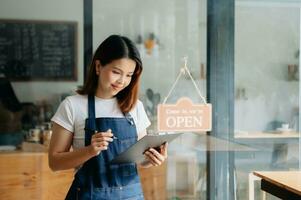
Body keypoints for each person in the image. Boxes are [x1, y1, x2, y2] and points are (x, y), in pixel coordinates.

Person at [48, 35, 168, 200]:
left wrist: (153, 159)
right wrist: (90, 150)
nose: (122, 81)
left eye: (129, 75)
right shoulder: (72, 106)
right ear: (98, 66)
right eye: (116, 72)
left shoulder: (135, 106)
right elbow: (54, 163)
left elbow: (140, 158)